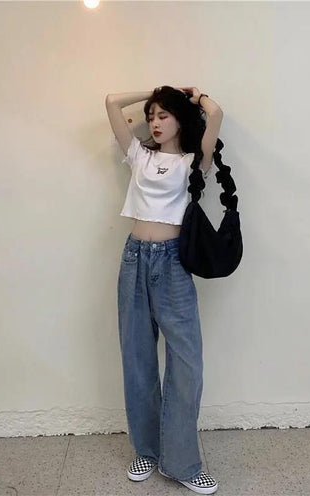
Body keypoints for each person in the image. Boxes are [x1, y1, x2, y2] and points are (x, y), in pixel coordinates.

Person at [105, 86, 223, 494]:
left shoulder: (193, 161)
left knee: (187, 363)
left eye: (162, 115)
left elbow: (216, 114)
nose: (154, 123)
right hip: (134, 260)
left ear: (179, 119)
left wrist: (194, 96)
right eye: (151, 116)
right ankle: (147, 450)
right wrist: (154, 89)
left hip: (173, 264)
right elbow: (111, 102)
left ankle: (183, 462)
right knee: (137, 357)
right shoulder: (139, 155)